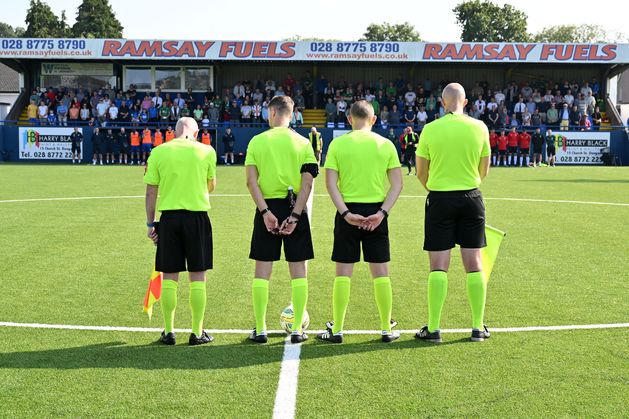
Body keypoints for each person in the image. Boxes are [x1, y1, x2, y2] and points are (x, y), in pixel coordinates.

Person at [316, 100, 403, 344]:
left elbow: (330, 183)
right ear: (373, 119)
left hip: (348, 213)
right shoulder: (385, 144)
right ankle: (386, 329)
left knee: (343, 272)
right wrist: (382, 214)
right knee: (381, 272)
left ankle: (338, 329)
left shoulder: (338, 144)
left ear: (349, 119)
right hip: (377, 213)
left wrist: (345, 214)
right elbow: (397, 184)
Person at [415, 82, 491, 343]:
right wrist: (469, 183)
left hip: (440, 199)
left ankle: (434, 329)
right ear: (466, 102)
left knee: (438, 266)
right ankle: (477, 328)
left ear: (442, 102)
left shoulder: (430, 129)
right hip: (472, 197)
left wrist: (434, 188)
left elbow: (421, 171)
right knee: (474, 263)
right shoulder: (480, 127)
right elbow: (485, 169)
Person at [245, 96, 318, 344]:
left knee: (262, 271)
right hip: (294, 206)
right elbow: (308, 183)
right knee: (298, 271)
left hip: (268, 207)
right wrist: (296, 216)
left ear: (273, 111)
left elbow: (250, 181)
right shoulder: (302, 142)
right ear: (291, 113)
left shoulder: (257, 141)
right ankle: (297, 328)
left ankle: (261, 329)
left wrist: (265, 212)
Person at [144, 117, 217, 346]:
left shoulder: (158, 152)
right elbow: (211, 185)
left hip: (169, 219)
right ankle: (197, 333)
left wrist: (150, 224)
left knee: (170, 276)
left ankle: (168, 332)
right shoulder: (207, 151)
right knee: (198, 276)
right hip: (197, 218)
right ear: (195, 133)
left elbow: (150, 193)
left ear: (175, 132)